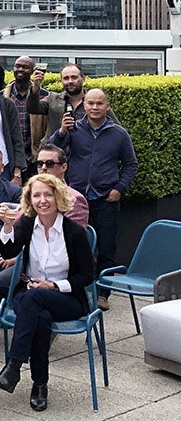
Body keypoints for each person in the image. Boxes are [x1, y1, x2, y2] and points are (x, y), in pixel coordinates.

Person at [0, 174, 95, 412]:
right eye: (36, 195)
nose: (42, 200)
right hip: (30, 295)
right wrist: (8, 226)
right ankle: (39, 385)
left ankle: (13, 367)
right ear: (30, 200)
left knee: (34, 299)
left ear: (58, 197)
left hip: (66, 298)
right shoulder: (28, 224)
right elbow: (9, 251)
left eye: (48, 195)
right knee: (40, 317)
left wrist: (54, 286)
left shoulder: (74, 232)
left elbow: (87, 276)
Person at [50, 88, 137, 310]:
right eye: (90, 103)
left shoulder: (119, 134)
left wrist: (119, 188)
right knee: (72, 245)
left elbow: (131, 164)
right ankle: (73, 289)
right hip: (75, 199)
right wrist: (61, 131)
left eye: (99, 103)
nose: (95, 107)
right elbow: (52, 152)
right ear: (84, 105)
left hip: (105, 198)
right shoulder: (74, 129)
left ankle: (103, 293)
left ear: (107, 106)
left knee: (106, 247)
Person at [31, 63, 118, 147]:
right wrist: (36, 87)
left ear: (83, 79)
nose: (70, 81)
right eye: (66, 78)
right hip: (55, 151)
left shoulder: (94, 102)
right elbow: (32, 108)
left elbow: (115, 128)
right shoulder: (52, 99)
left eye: (74, 77)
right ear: (61, 80)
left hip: (85, 152)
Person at [3, 56, 48, 176]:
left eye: (25, 67)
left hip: (34, 157)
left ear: (33, 71)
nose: (20, 69)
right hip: (8, 157)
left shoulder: (44, 96)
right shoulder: (2, 97)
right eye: (17, 66)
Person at [35, 145, 89, 227]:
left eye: (49, 163)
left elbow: (74, 234)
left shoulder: (74, 199)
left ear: (63, 167)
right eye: (40, 164)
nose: (43, 168)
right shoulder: (31, 195)